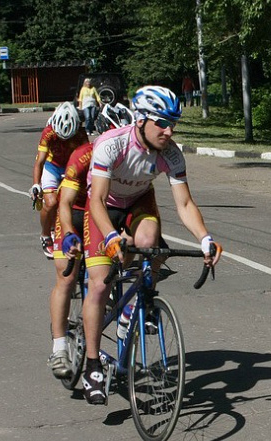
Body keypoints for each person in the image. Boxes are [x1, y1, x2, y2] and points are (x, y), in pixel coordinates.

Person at [80, 85, 223, 405]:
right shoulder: (112, 144)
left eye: (173, 124)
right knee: (100, 285)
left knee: (151, 246)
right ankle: (92, 366)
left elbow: (184, 204)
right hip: (104, 206)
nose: (169, 131)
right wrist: (111, 237)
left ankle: (134, 309)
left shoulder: (170, 153)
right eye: (162, 123)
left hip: (138, 202)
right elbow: (97, 201)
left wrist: (205, 238)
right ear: (141, 119)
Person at [46, 141, 93, 378]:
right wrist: (67, 234)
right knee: (67, 277)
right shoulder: (84, 156)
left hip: (100, 213)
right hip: (73, 211)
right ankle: (59, 349)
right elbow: (63, 202)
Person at [30, 102, 89, 259]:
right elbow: (40, 162)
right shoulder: (48, 132)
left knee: (75, 201)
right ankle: (45, 235)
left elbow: (87, 158)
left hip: (71, 167)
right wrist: (36, 184)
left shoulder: (81, 134)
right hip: (52, 167)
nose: (63, 141)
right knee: (51, 203)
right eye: (60, 138)